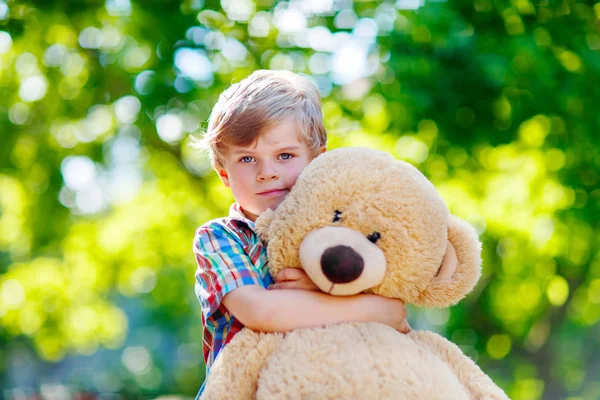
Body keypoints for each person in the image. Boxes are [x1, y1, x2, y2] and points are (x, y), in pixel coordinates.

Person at [191, 70, 409, 396]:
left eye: (285, 156)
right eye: (247, 158)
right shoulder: (222, 237)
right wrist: (370, 307)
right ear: (224, 173)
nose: (267, 173)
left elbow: (394, 301)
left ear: (316, 160)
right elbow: (260, 311)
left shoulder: (340, 230)